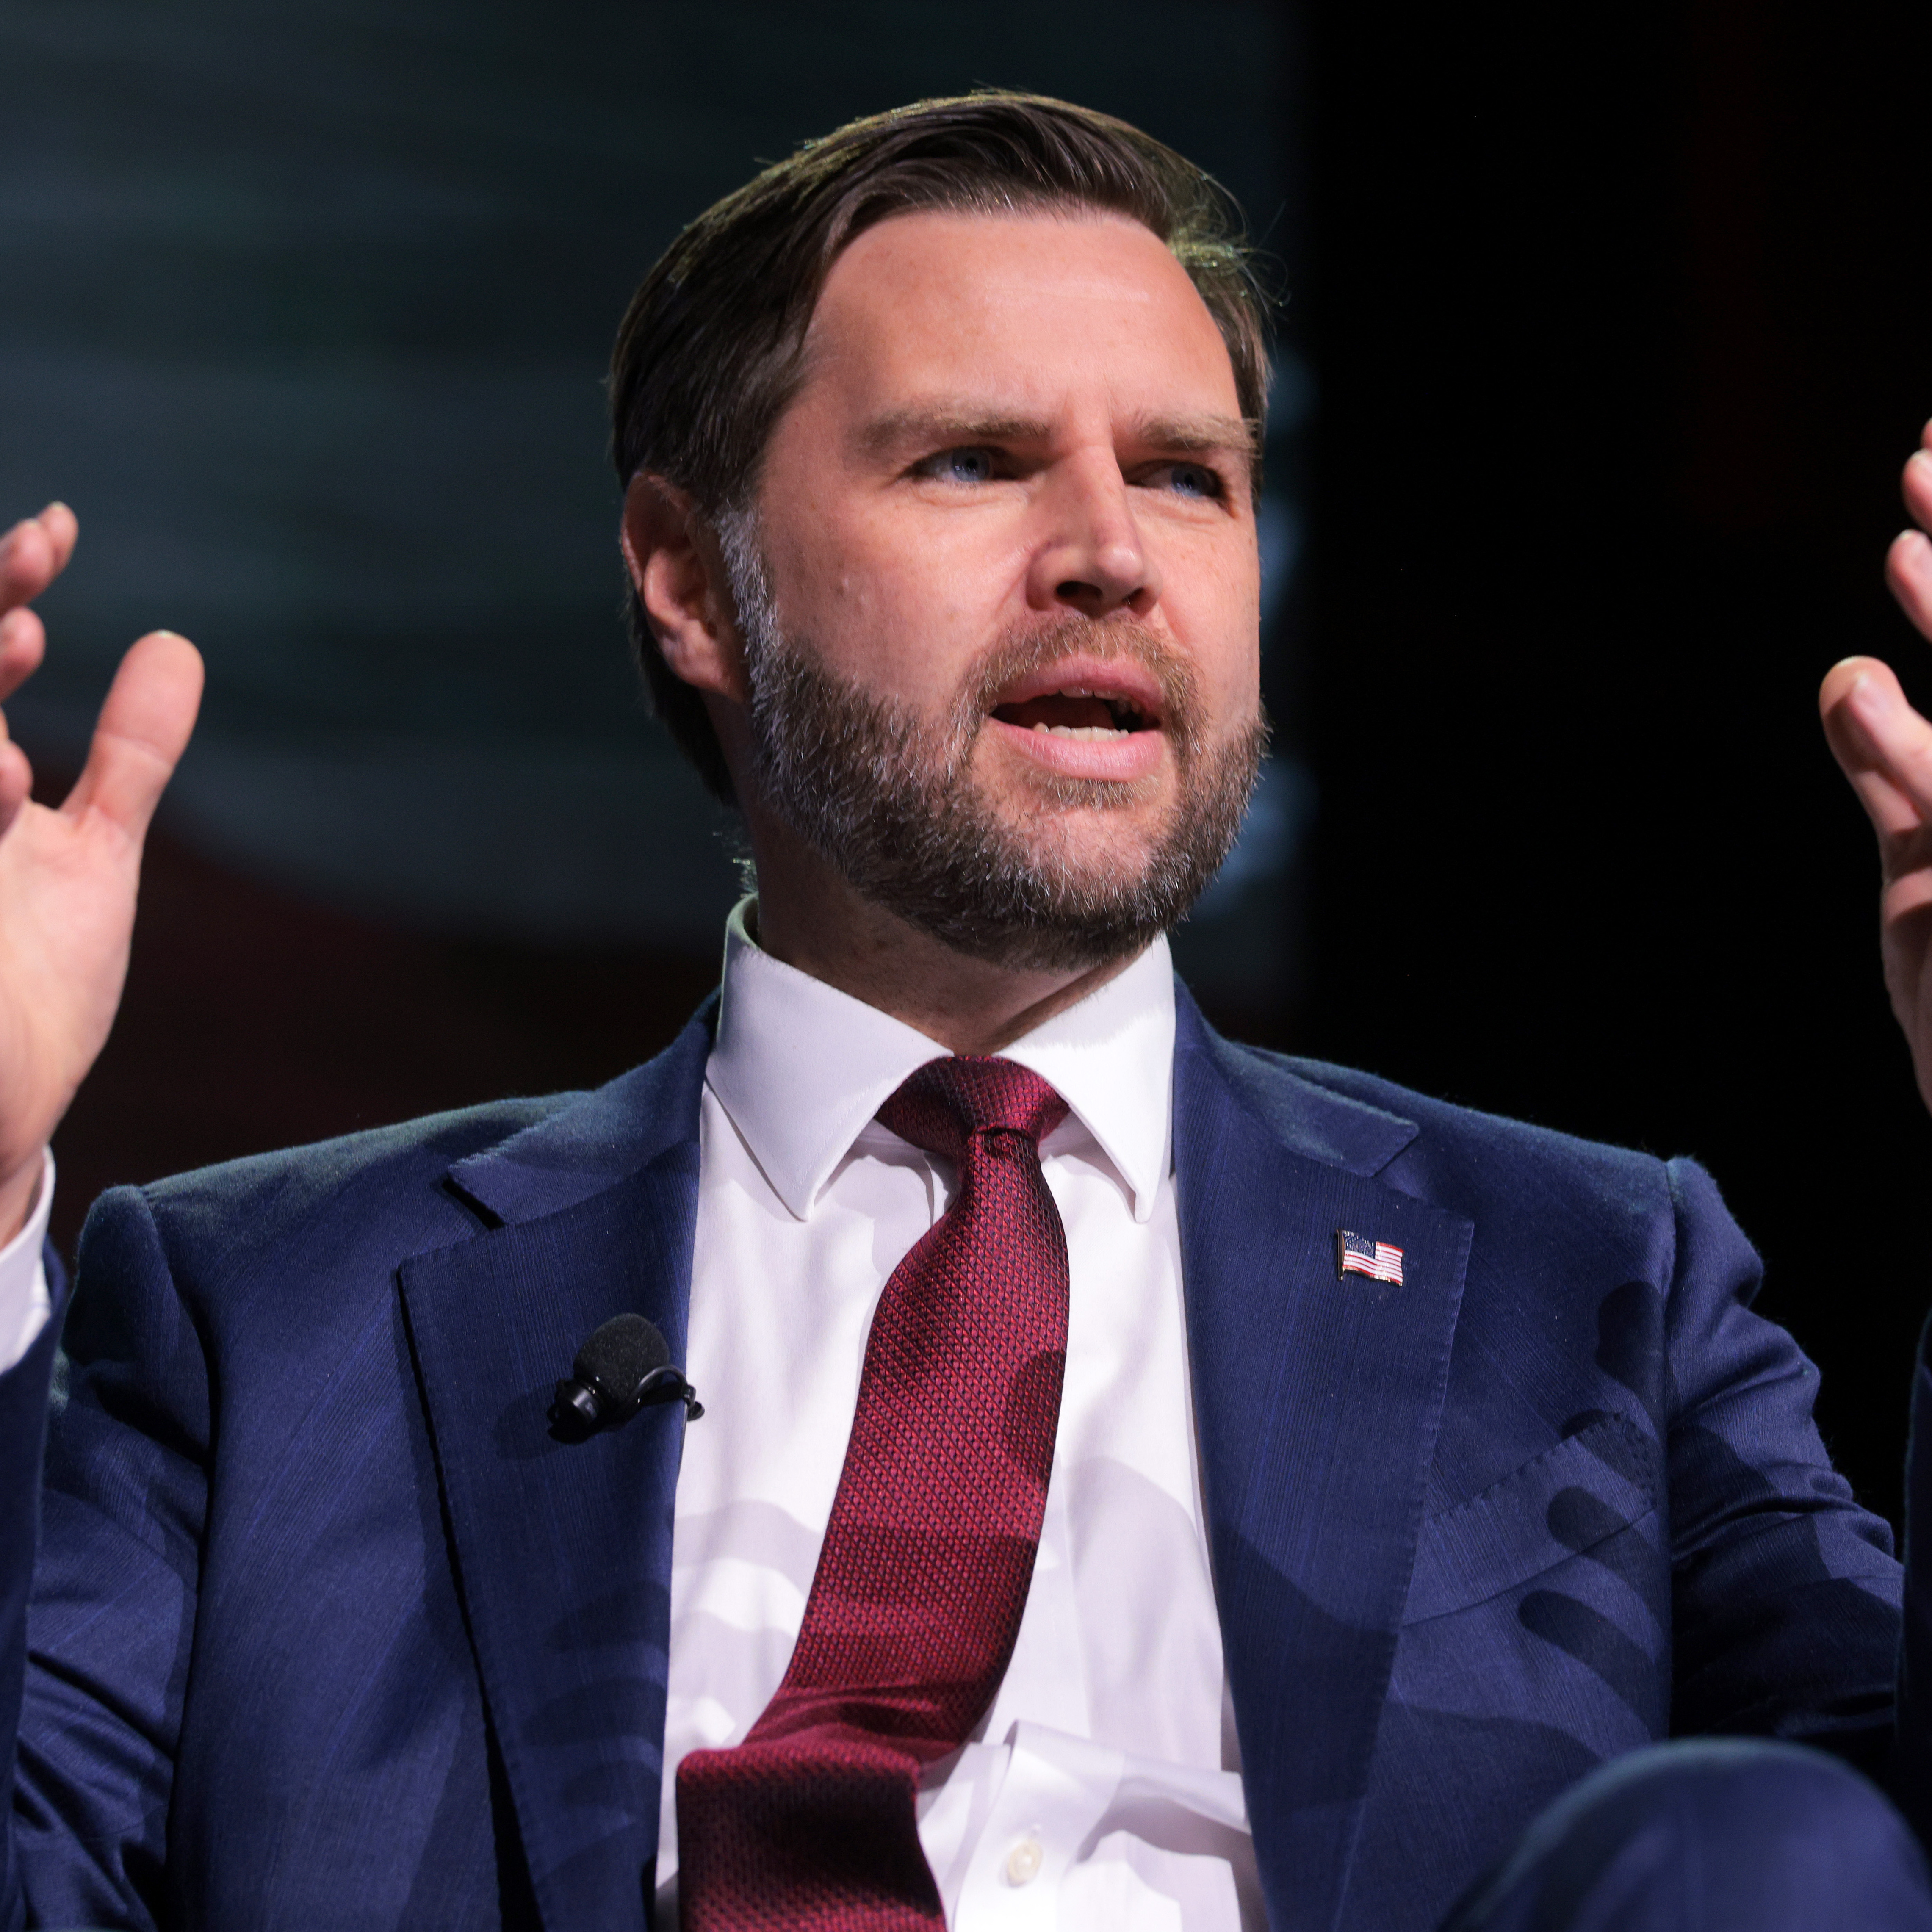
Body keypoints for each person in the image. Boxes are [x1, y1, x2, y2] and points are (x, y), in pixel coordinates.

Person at [1, 91, 1931, 1932]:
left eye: (1188, 478)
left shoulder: (1588, 1282)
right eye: (974, 461)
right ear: (690, 579)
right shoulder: (269, 1317)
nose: (1111, 554)